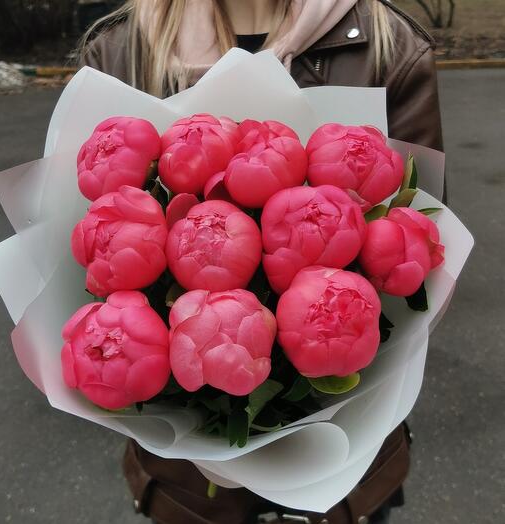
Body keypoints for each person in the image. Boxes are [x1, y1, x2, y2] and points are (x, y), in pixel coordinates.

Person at [79, 1, 443, 522]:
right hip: (186, 493)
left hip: (351, 483)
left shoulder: (390, 45)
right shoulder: (118, 50)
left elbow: (424, 251)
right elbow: (80, 253)